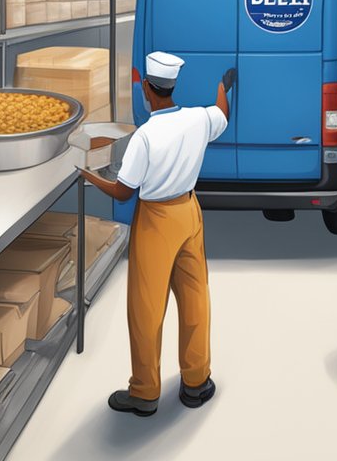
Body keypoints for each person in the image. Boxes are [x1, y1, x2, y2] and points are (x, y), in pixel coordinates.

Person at [80, 52, 236, 416]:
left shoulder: (145, 136)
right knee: (196, 296)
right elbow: (222, 112)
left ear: (147, 89)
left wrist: (87, 175)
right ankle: (196, 381)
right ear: (172, 86)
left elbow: (123, 191)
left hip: (156, 220)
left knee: (147, 307)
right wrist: (222, 86)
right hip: (189, 212)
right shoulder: (199, 119)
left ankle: (145, 391)